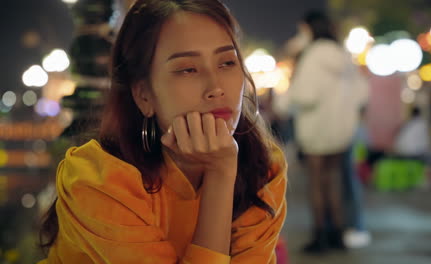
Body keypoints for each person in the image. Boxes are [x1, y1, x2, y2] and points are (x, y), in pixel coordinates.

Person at [38, 0, 287, 263]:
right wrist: (220, 175)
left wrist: (222, 171)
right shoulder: (98, 178)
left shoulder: (263, 166)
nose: (216, 87)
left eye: (226, 63)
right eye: (187, 69)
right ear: (144, 95)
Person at [288, 10, 367, 253]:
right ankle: (338, 233)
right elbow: (362, 93)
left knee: (316, 184)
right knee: (334, 182)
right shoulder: (343, 56)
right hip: (341, 130)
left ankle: (320, 234)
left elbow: (305, 95)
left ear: (309, 28)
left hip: (316, 129)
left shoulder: (312, 56)